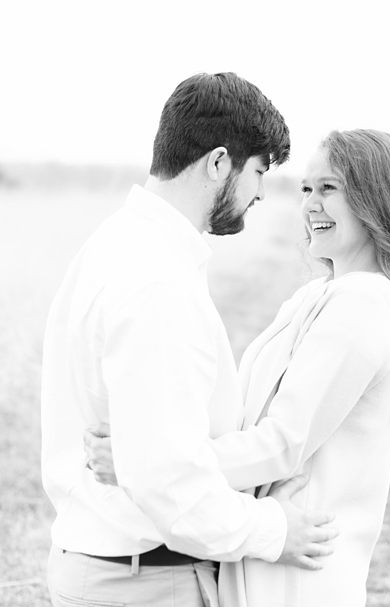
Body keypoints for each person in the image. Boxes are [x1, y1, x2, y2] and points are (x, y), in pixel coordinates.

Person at [85, 128, 390, 605]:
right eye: (306, 189)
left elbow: (283, 442)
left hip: (300, 573)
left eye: (329, 188)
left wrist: (146, 460)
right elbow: (246, 418)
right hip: (266, 557)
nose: (311, 205)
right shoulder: (317, 295)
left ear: (374, 198)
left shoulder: (367, 302)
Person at [39, 72, 338, 606]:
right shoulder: (157, 279)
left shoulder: (114, 245)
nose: (260, 194)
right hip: (146, 586)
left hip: (112, 574)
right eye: (257, 172)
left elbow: (151, 451)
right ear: (218, 162)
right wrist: (276, 530)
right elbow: (168, 480)